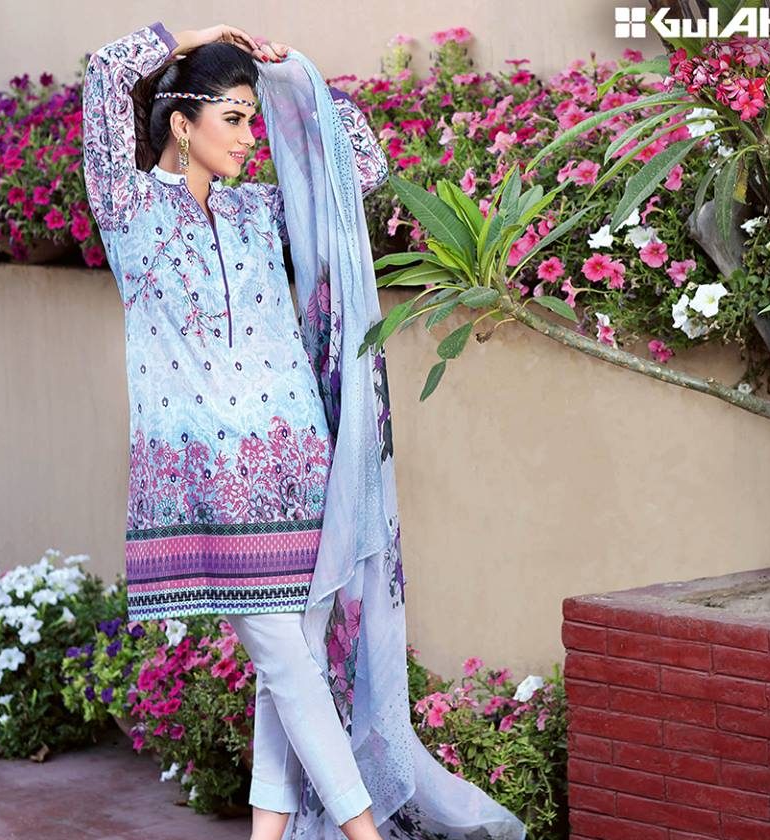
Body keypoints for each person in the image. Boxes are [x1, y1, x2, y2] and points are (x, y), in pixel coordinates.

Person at [82, 20, 527, 840]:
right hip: (206, 477)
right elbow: (109, 71)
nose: (250, 138)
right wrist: (189, 36)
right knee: (286, 660)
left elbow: (361, 167)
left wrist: (300, 80)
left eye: (253, 121)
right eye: (234, 119)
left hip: (301, 464)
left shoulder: (259, 209)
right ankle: (365, 836)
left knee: (289, 668)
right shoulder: (128, 207)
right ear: (181, 122)